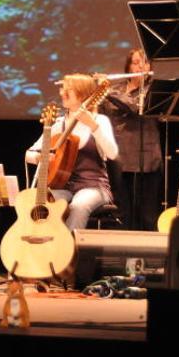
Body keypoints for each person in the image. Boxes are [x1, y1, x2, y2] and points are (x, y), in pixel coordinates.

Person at [26, 74, 118, 230]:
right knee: (38, 203)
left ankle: (69, 250)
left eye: (68, 90)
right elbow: (28, 154)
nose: (62, 93)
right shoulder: (57, 124)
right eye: (62, 89)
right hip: (63, 187)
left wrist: (93, 126)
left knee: (79, 206)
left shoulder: (99, 120)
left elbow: (112, 154)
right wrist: (39, 157)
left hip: (93, 187)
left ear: (83, 94)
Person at [101, 49, 162, 230]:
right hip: (117, 156)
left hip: (146, 157)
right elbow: (102, 117)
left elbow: (134, 108)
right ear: (128, 66)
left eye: (144, 62)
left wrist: (106, 92)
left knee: (147, 213)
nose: (140, 66)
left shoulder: (154, 90)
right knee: (122, 210)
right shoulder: (115, 89)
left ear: (150, 66)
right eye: (135, 62)